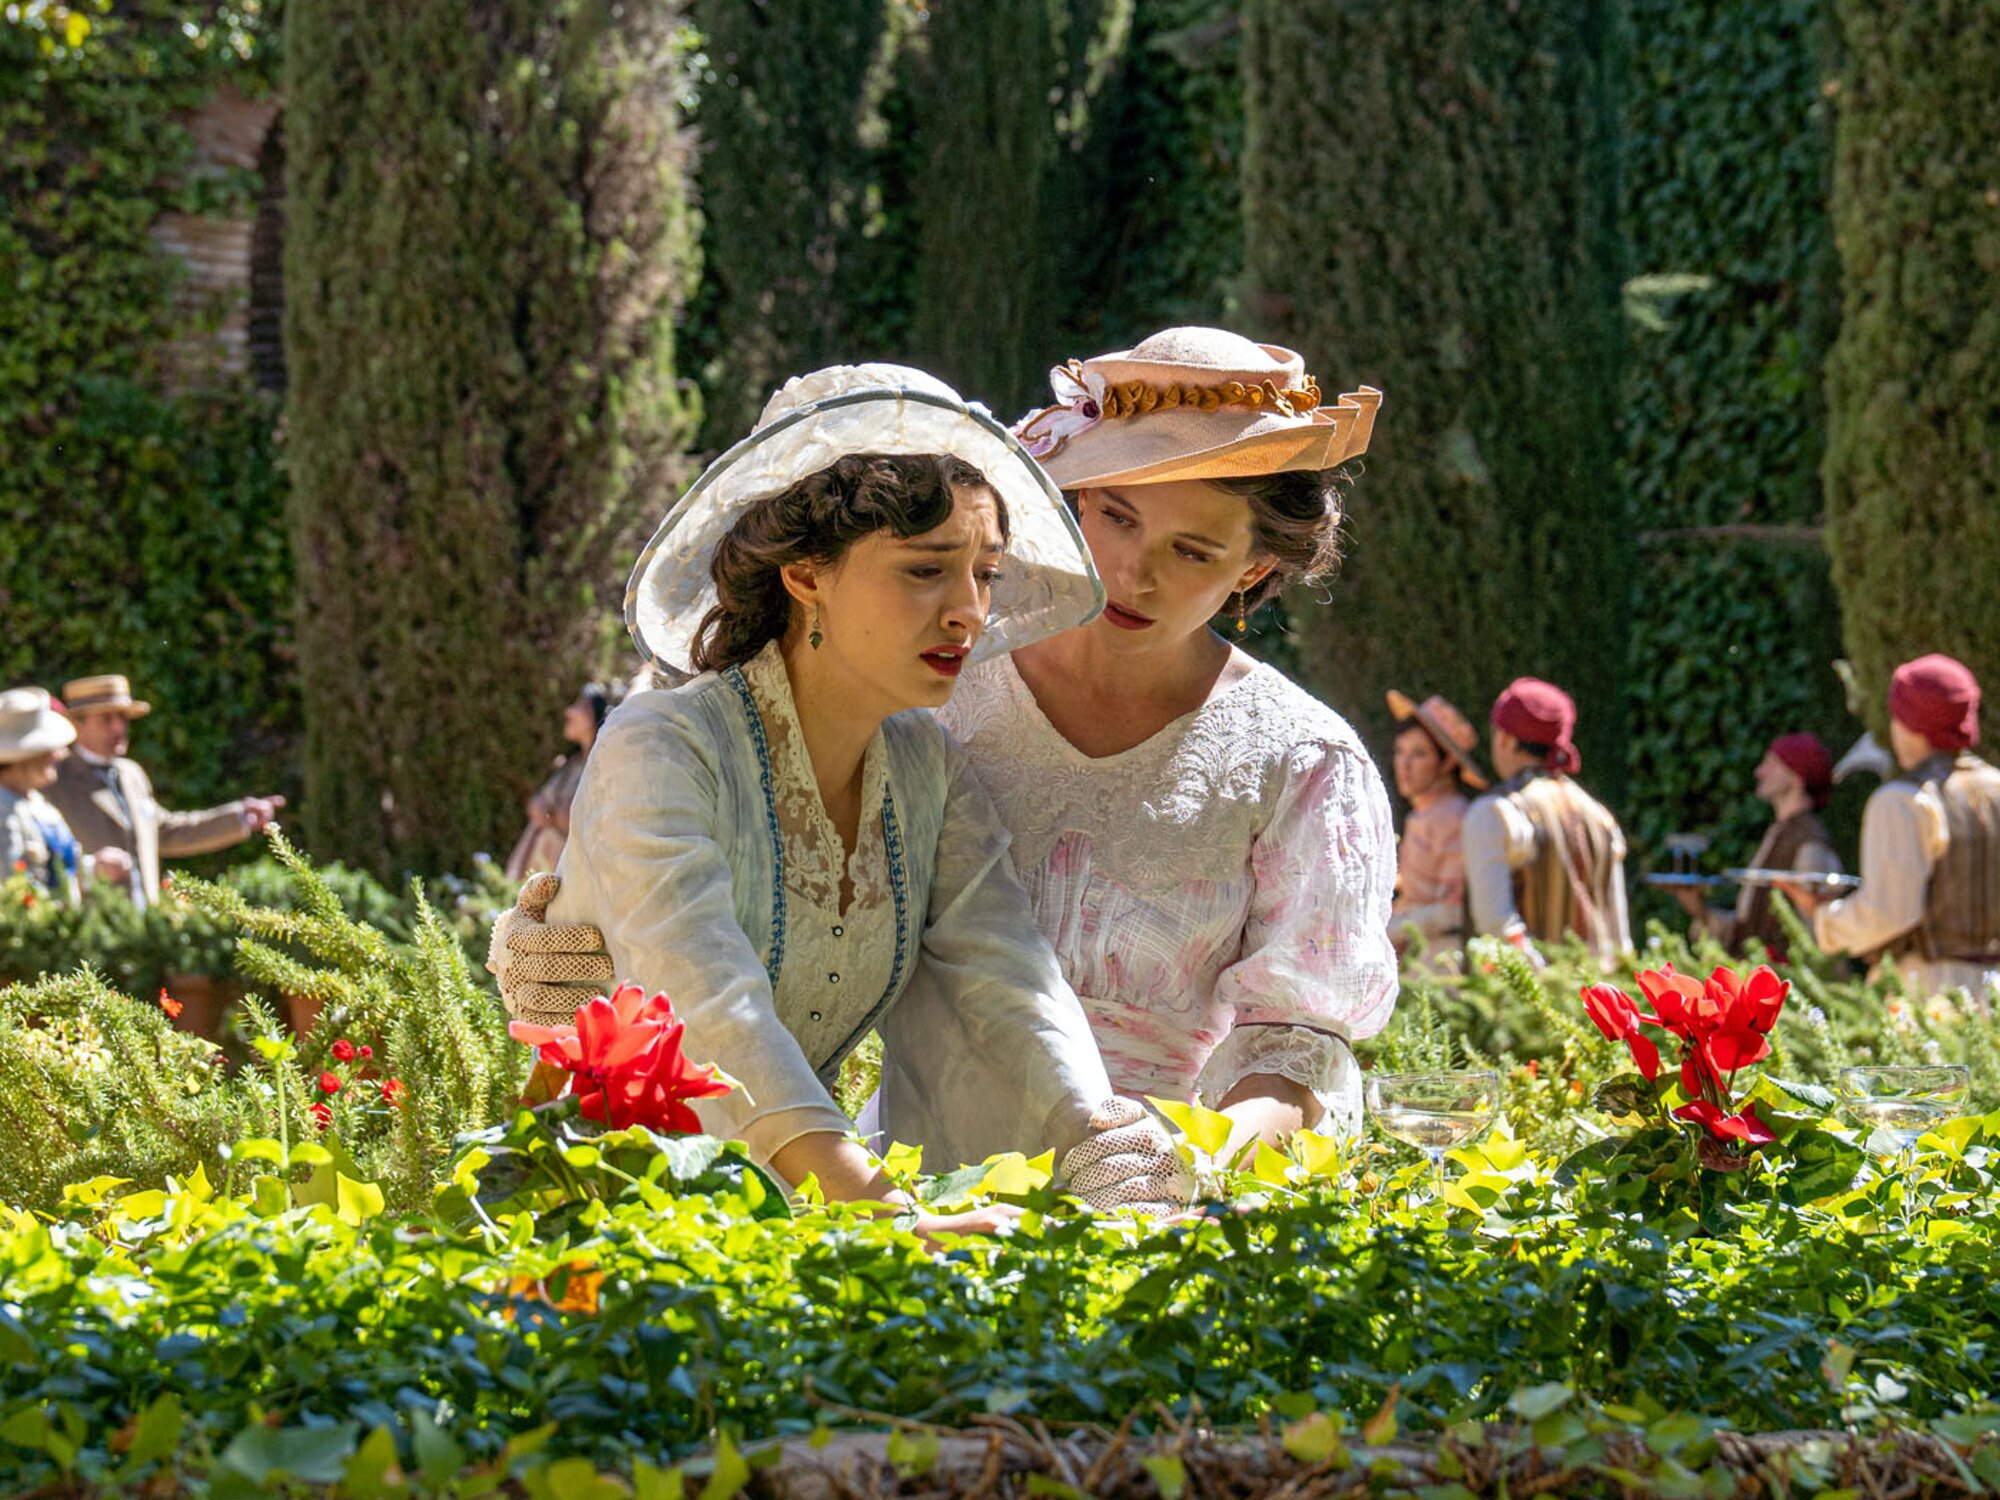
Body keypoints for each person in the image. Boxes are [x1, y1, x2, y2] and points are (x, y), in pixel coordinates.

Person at [496, 328, 1400, 1158]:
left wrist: (1161, 1154)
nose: (1132, 571)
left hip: (1144, 1189)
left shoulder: (1296, 761)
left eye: (1193, 551)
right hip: (864, 1190)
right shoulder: (925, 685)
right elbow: (719, 963)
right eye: (1116, 516)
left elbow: (1016, 970)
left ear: (1254, 569)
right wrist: (587, 927)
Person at [490, 363, 1188, 1230]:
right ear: (806, 574)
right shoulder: (660, 748)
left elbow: (1009, 976)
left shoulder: (927, 769)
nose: (969, 612)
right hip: (601, 1223)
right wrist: (887, 1217)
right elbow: (713, 1009)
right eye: (926, 570)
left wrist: (1099, 1146)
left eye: (985, 574)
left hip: (806, 1222)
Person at [1782, 654, 2000, 1001]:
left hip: (1930, 998)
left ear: (1911, 722)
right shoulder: (1996, 787)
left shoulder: (1903, 801)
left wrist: (1823, 916)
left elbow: (1888, 913)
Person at [47, 675, 284, 909]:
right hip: (90, 928)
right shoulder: (55, 778)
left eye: (123, 717)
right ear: (77, 724)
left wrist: (238, 816)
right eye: (106, 719)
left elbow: (164, 832)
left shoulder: (131, 774)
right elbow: (42, 855)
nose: (119, 727)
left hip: (144, 924)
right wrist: (90, 867)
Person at [1463, 676, 1631, 967]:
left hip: (1524, 1004)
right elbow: (1619, 937)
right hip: (1594, 999)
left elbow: (1495, 923)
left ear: (1506, 739)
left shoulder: (1495, 812)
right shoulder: (1600, 817)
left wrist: (1544, 989)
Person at [1675, 733, 1842, 957]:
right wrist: (1700, 911)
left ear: (1796, 777)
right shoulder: (1780, 833)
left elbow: (1816, 932)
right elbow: (1750, 927)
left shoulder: (1810, 844)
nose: (1759, 772)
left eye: (1772, 763)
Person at [1384, 689, 1488, 954]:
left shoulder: (1453, 815)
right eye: (1400, 751)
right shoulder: (1424, 813)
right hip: (1410, 953)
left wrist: (1384, 930)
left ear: (1447, 761)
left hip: (1440, 959)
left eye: (1418, 754)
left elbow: (1454, 910)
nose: (1404, 765)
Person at [503, 683, 610, 881]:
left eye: (580, 706)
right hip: (544, 858)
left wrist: (554, 816)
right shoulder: (568, 764)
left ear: (594, 716)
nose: (569, 712)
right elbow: (538, 806)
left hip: (572, 869)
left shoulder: (603, 768)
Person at [0, 687, 85, 904]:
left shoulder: (36, 802)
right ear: (25, 756)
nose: (60, 754)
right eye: (50, 748)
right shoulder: (3, 809)